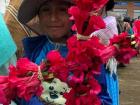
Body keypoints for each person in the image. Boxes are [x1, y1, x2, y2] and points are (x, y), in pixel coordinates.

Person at [16, 0, 112, 105]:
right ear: (38, 16)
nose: (53, 18)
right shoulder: (33, 50)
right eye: (46, 10)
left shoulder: (89, 53)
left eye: (62, 10)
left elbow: (104, 100)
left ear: (74, 15)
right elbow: (21, 94)